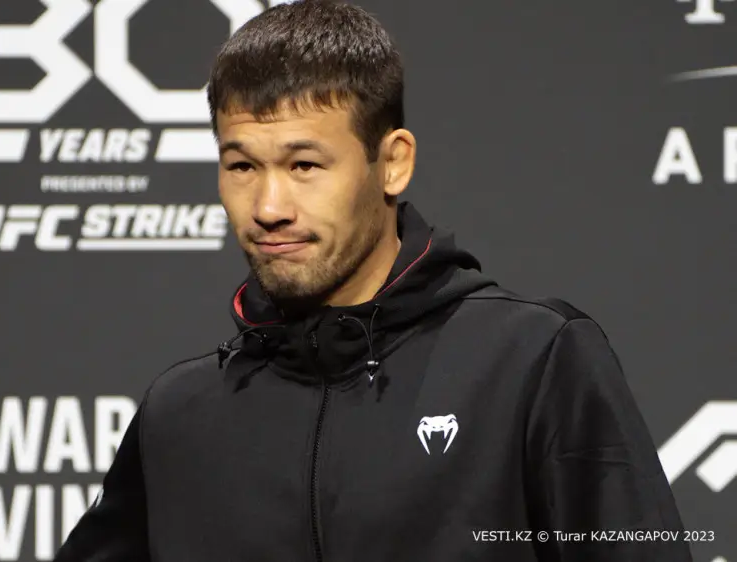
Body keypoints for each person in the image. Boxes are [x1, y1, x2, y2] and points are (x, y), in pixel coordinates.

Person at [56, 1, 692, 560]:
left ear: (392, 163)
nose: (269, 206)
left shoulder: (533, 361)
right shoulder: (179, 415)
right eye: (242, 166)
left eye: (305, 165)